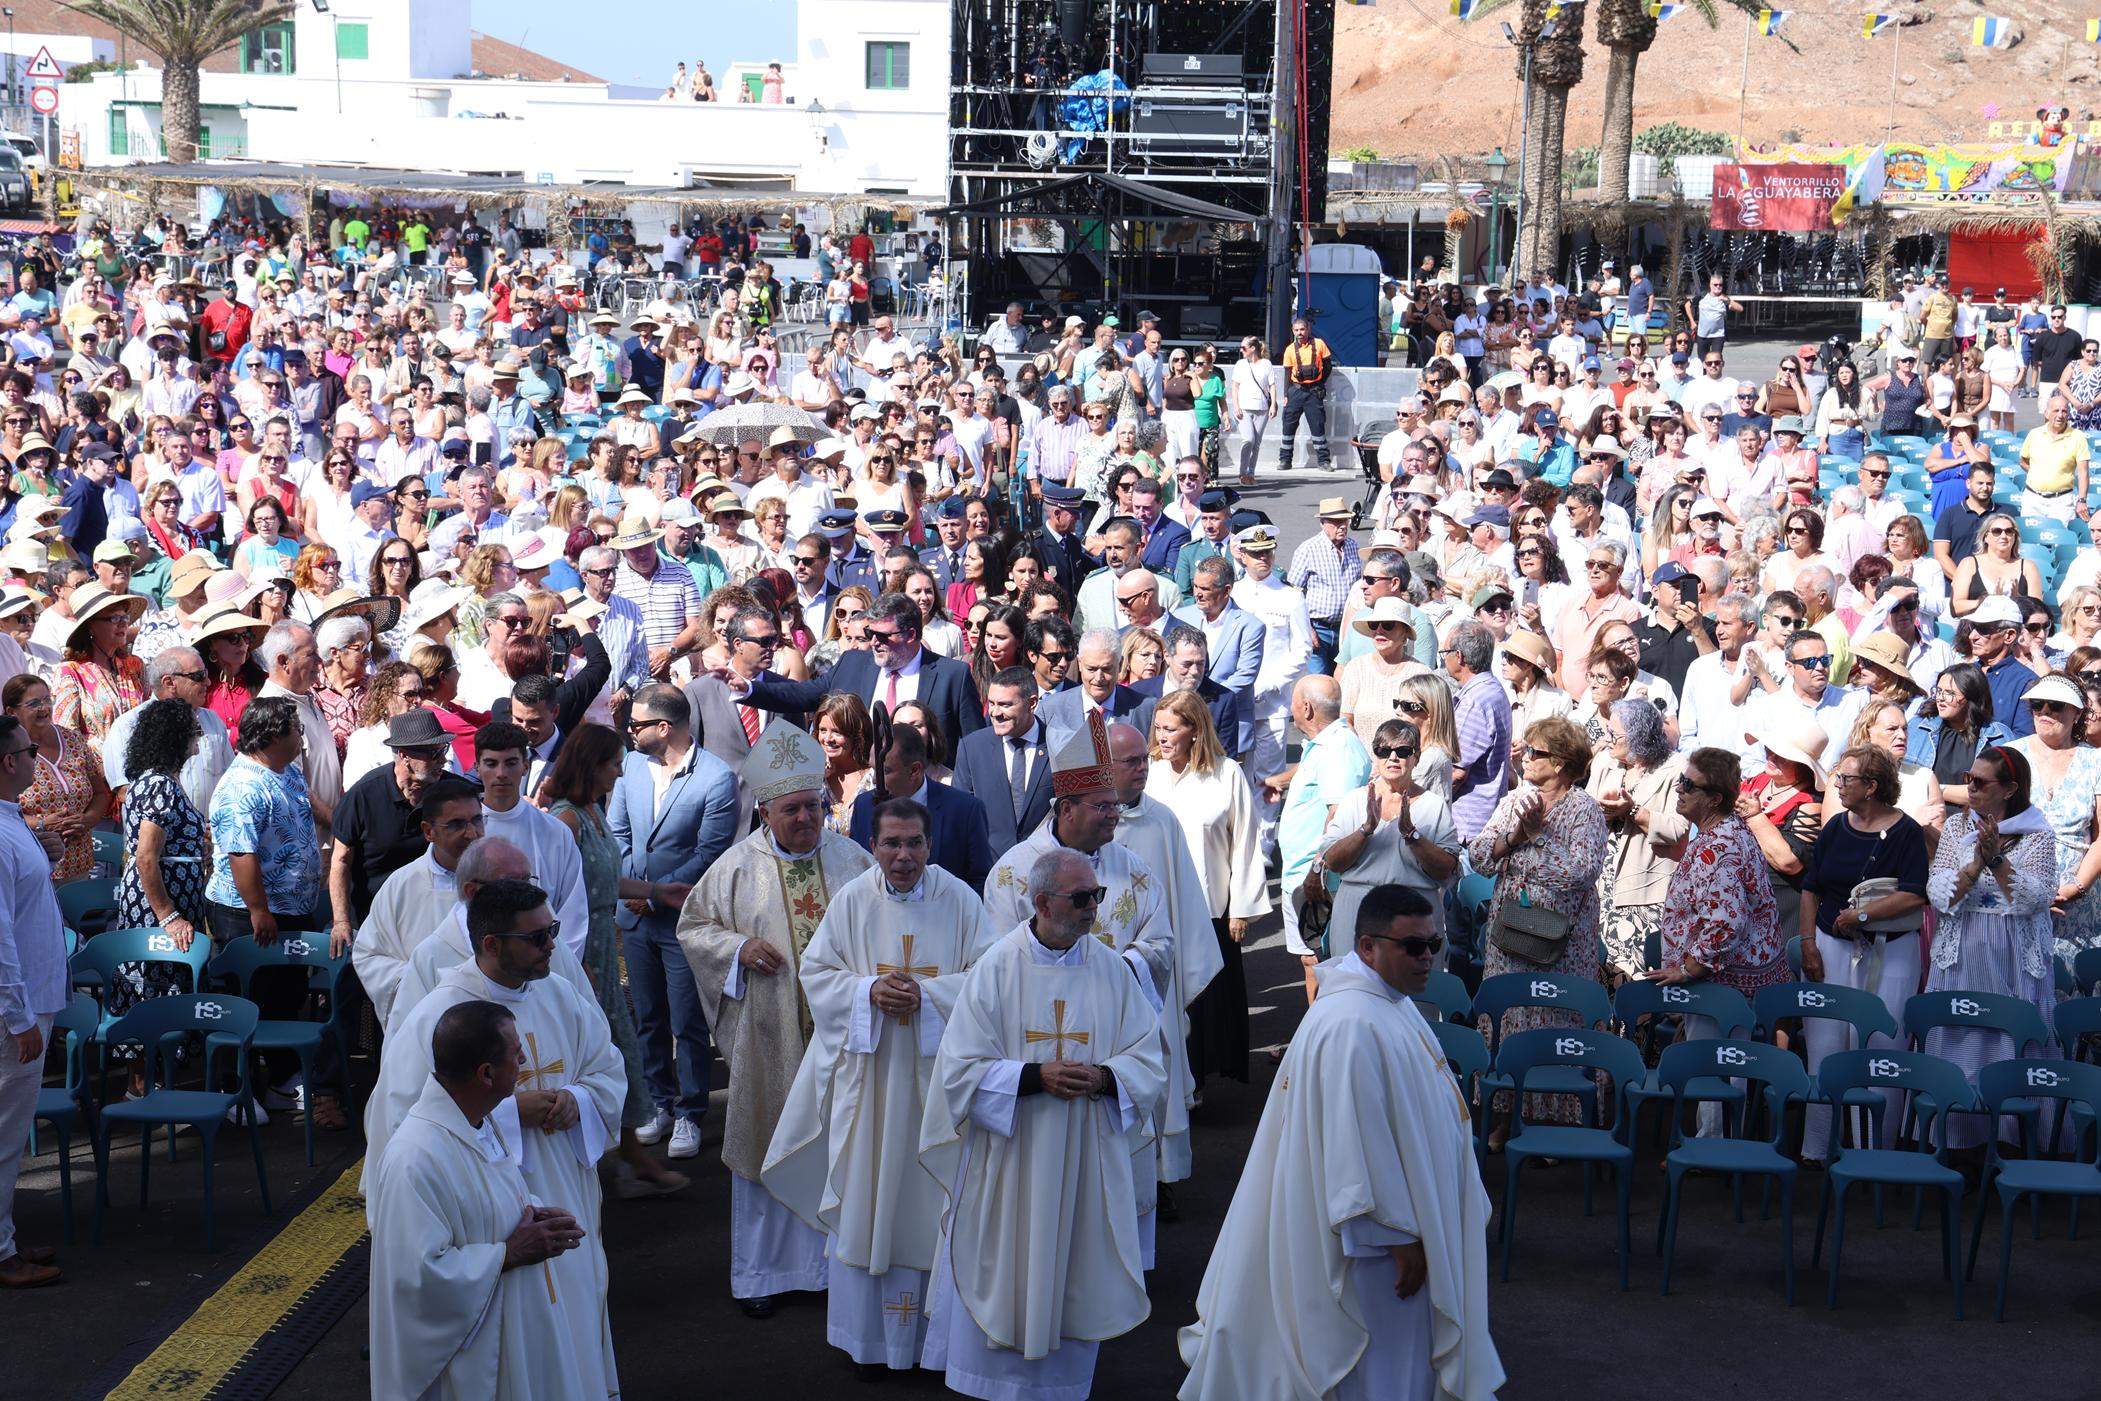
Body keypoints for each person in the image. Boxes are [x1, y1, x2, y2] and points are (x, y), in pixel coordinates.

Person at [1178, 882, 1503, 1401]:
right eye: (1412, 946)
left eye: (1433, 945)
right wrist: (1398, 1241)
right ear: (1367, 946)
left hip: (1399, 1233)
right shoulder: (1352, 1023)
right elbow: (1355, 1151)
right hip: (1375, 1253)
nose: (1426, 958)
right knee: (1379, 1371)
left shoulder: (1384, 1001)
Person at [918, 845, 1168, 1401]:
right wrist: (1033, 1077)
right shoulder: (997, 968)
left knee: (1072, 1270)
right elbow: (957, 1072)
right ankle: (992, 1384)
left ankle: (1061, 1387)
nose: (1093, 910)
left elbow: (1148, 1056)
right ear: (1041, 903)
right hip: (1013, 1156)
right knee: (1006, 1265)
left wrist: (1105, 1079)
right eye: (1081, 899)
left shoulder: (1108, 967)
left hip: (1083, 1153)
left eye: (1097, 896)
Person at [758, 796, 995, 1377]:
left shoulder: (960, 900)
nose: (903, 856)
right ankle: (867, 1342)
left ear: (930, 846)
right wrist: (867, 992)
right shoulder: (853, 900)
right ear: (872, 845)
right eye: (891, 843)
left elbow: (991, 979)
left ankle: (936, 1345)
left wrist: (929, 996)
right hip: (872, 1086)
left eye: (914, 844)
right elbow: (818, 973)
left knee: (934, 1199)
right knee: (869, 1198)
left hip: (937, 1084)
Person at [364, 880, 624, 1397]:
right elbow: (407, 1117)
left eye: (552, 931)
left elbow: (607, 1066)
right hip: (481, 1212)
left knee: (568, 1311)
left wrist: (580, 1098)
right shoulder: (440, 1013)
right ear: (491, 944)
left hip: (562, 1181)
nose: (553, 944)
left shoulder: (558, 990)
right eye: (538, 938)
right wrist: (508, 1113)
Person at [676, 719, 874, 1317]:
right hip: (771, 1037)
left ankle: (835, 1271)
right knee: (769, 1151)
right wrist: (737, 949)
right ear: (765, 811)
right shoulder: (738, 867)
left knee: (841, 1150)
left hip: (841, 1038)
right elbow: (694, 926)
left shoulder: (855, 860)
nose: (806, 820)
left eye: (814, 807)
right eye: (792, 810)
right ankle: (764, 1276)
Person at [365, 1000, 593, 1398]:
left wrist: (536, 1216)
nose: (524, 1057)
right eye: (516, 1052)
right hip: (468, 1367)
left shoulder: (477, 1119)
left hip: (515, 1329)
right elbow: (416, 1279)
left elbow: (486, 1198)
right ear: (486, 1074)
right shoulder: (414, 1160)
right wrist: (509, 1253)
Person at [543, 723, 693, 1197]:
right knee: (598, 1051)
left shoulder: (590, 810)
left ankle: (630, 1152)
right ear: (592, 766)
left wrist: (655, 890)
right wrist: (572, 960)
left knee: (616, 1049)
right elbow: (553, 896)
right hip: (582, 950)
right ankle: (607, 1158)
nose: (618, 773)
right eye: (612, 764)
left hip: (603, 945)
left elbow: (604, 879)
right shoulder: (565, 820)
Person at [609, 683, 739, 1161]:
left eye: (637, 724)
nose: (629, 730)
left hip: (682, 919)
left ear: (664, 728)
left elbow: (710, 853)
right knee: (646, 1016)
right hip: (639, 917)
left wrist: (657, 897)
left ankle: (689, 1111)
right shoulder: (629, 768)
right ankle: (657, 1102)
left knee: (687, 1021)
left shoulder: (715, 778)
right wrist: (639, 890)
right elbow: (617, 832)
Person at [1467, 716, 1609, 1142]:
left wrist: (1528, 847)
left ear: (1563, 763)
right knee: (1511, 1020)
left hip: (1564, 944)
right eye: (1526, 749)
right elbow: (1478, 857)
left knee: (1556, 1026)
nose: (1525, 757)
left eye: (1536, 752)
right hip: (1510, 938)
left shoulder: (1584, 809)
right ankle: (1505, 1116)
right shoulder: (1516, 801)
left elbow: (1579, 872)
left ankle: (1556, 1123)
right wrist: (1514, 838)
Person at [1799, 744, 1931, 1160]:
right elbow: (1810, 888)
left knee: (1882, 1047)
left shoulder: (1907, 832)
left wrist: (1860, 916)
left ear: (1872, 787)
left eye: (1846, 779)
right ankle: (1817, 1149)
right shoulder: (1837, 827)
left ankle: (1874, 1151)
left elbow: (1915, 895)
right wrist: (1807, 943)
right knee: (1823, 1046)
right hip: (1829, 946)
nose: (1837, 785)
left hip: (1889, 954)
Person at [1923, 742, 2058, 1148]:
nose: (1971, 789)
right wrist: (1977, 862)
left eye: (1980, 782)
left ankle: (2013, 1143)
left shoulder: (2037, 833)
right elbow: (1940, 894)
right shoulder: (1955, 828)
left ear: (2010, 788)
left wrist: (1997, 859)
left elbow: (2034, 898)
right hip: (1963, 957)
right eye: (1967, 780)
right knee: (1961, 1039)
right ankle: (1958, 1144)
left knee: (2007, 1045)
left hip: (2011, 962)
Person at [1148, 692, 1272, 1088]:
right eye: (1158, 727)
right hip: (1158, 909)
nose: (1162, 736)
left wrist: (1242, 908)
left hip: (1210, 908)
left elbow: (1245, 843)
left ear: (1195, 730)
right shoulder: (1149, 773)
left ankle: (1198, 1079)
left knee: (1206, 1002)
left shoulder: (1227, 774)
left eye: (1171, 728)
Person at [107, 700, 211, 1092]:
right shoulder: (160, 785)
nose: (198, 737)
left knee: (159, 981)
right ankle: (144, 1086)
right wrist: (169, 915)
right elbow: (147, 856)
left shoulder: (153, 781)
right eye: (192, 731)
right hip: (157, 905)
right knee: (153, 982)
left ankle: (151, 1083)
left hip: (164, 895)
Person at [0, 713, 67, 1288]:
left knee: (8, 1135)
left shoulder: (9, 821)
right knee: (2, 1136)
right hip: (12, 1015)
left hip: (26, 1005)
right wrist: (19, 1018)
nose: (34, 757)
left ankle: (5, 1238)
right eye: (26, 751)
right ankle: (0, 1253)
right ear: (7, 762)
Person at [1648, 747, 1790, 1000]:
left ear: (1714, 799)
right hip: (1732, 983)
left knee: (1710, 1042)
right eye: (1681, 780)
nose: (1679, 789)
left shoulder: (1719, 848)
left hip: (1719, 991)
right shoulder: (1729, 828)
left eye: (1689, 785)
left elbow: (1725, 924)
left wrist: (1688, 970)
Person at [1273, 675, 1373, 1003]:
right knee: (1314, 960)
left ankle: (1317, 1046)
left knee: (1318, 962)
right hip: (1309, 872)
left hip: (1317, 877)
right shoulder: (1329, 744)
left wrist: (1318, 869)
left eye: (1293, 703)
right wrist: (1284, 781)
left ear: (1307, 708)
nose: (1291, 709)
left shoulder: (1337, 748)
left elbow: (1339, 817)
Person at [1588, 698, 1688, 982]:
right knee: (1600, 974)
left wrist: (1632, 811)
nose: (1607, 740)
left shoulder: (1676, 768)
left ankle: (1633, 1029)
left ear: (1638, 737)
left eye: (1614, 735)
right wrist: (1604, 812)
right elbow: (1587, 817)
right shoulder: (1605, 762)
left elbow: (1677, 829)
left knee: (1635, 980)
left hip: (1645, 893)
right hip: (1602, 889)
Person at [2007, 673, 2101, 963]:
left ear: (2076, 712)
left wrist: (2074, 888)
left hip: (2077, 908)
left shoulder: (2095, 761)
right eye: (2038, 704)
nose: (2045, 711)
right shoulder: (2009, 756)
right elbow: (1989, 829)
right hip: (2014, 898)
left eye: (2056, 705)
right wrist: (2020, 890)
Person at [4, 674, 109, 884]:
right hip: (32, 865)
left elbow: (101, 792)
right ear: (11, 711)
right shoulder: (8, 750)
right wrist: (41, 823)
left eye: (46, 700)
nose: (44, 708)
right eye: (34, 703)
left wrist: (87, 819)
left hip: (80, 863)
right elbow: (3, 811)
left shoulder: (72, 739)